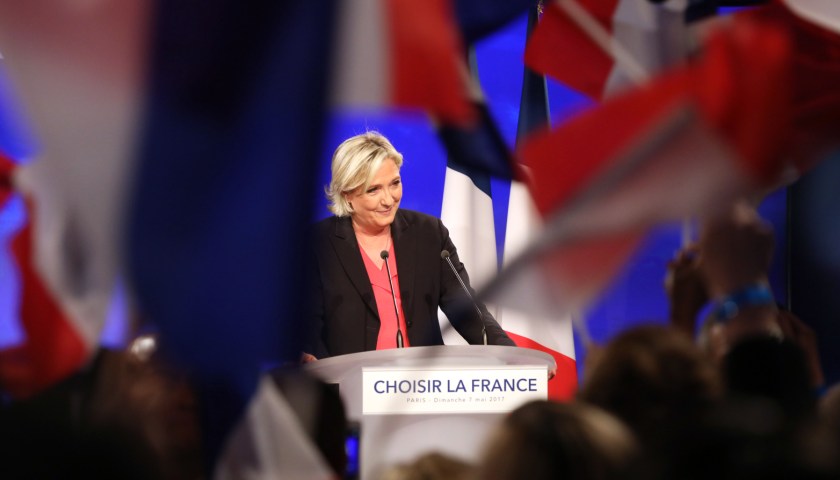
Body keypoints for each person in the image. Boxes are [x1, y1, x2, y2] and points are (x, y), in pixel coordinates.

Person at [304, 131, 513, 359]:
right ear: (347, 195)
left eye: (394, 183)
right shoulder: (318, 244)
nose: (388, 199)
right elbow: (308, 328)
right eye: (373, 190)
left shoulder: (429, 234)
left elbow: (469, 312)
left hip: (421, 378)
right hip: (347, 379)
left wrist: (510, 354)